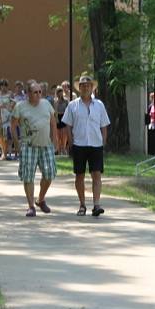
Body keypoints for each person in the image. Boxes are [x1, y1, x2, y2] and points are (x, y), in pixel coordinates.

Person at [62, 74, 111, 217]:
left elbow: (104, 125)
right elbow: (68, 125)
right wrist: (70, 141)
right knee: (80, 176)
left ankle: (96, 204)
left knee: (96, 174)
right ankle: (82, 204)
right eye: (83, 85)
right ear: (79, 88)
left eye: (88, 85)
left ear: (92, 88)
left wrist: (103, 141)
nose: (85, 87)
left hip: (96, 144)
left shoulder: (99, 105)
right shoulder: (73, 105)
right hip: (79, 143)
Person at [10, 81, 58, 217]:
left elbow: (53, 123)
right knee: (28, 176)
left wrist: (55, 140)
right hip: (28, 146)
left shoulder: (46, 104)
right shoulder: (20, 107)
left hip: (46, 145)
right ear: (28, 94)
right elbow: (13, 125)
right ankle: (31, 206)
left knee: (49, 174)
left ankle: (40, 199)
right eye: (35, 92)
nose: (38, 95)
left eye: (40, 92)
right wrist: (16, 143)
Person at [0, 79, 15, 161]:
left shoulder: (10, 94)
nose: (3, 87)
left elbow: (14, 103)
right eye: (2, 85)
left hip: (8, 116)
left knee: (6, 135)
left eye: (5, 85)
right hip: (0, 116)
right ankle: (2, 149)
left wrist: (8, 106)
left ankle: (4, 153)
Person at [54, 86, 69, 155]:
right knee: (58, 134)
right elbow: (55, 110)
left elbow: (67, 109)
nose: (60, 94)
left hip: (64, 116)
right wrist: (56, 118)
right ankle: (59, 149)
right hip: (58, 117)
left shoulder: (66, 100)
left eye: (61, 92)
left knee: (64, 134)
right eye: (58, 92)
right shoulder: (56, 101)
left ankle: (63, 148)